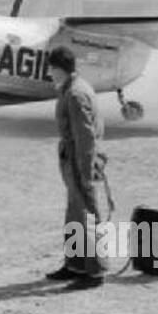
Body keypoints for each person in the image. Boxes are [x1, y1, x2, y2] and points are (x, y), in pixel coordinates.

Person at [44, 45, 110, 290]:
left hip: (79, 161)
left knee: (89, 216)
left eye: (51, 68)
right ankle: (75, 265)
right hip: (73, 159)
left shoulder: (74, 94)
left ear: (59, 69)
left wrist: (85, 171)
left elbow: (86, 137)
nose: (49, 73)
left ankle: (95, 272)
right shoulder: (74, 87)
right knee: (75, 214)